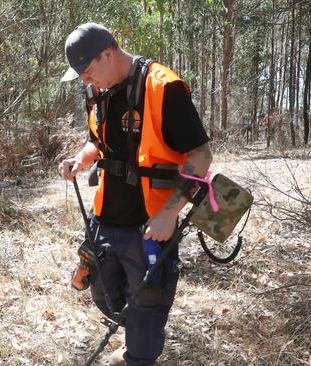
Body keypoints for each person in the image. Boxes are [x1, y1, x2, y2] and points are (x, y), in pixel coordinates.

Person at [58, 23, 212, 366]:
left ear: (107, 55)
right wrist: (81, 159)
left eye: (86, 72)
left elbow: (201, 156)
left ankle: (138, 352)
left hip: (149, 227)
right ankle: (135, 335)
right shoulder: (100, 90)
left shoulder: (164, 87)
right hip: (105, 219)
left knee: (147, 307)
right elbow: (97, 140)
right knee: (102, 292)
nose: (85, 81)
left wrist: (169, 214)